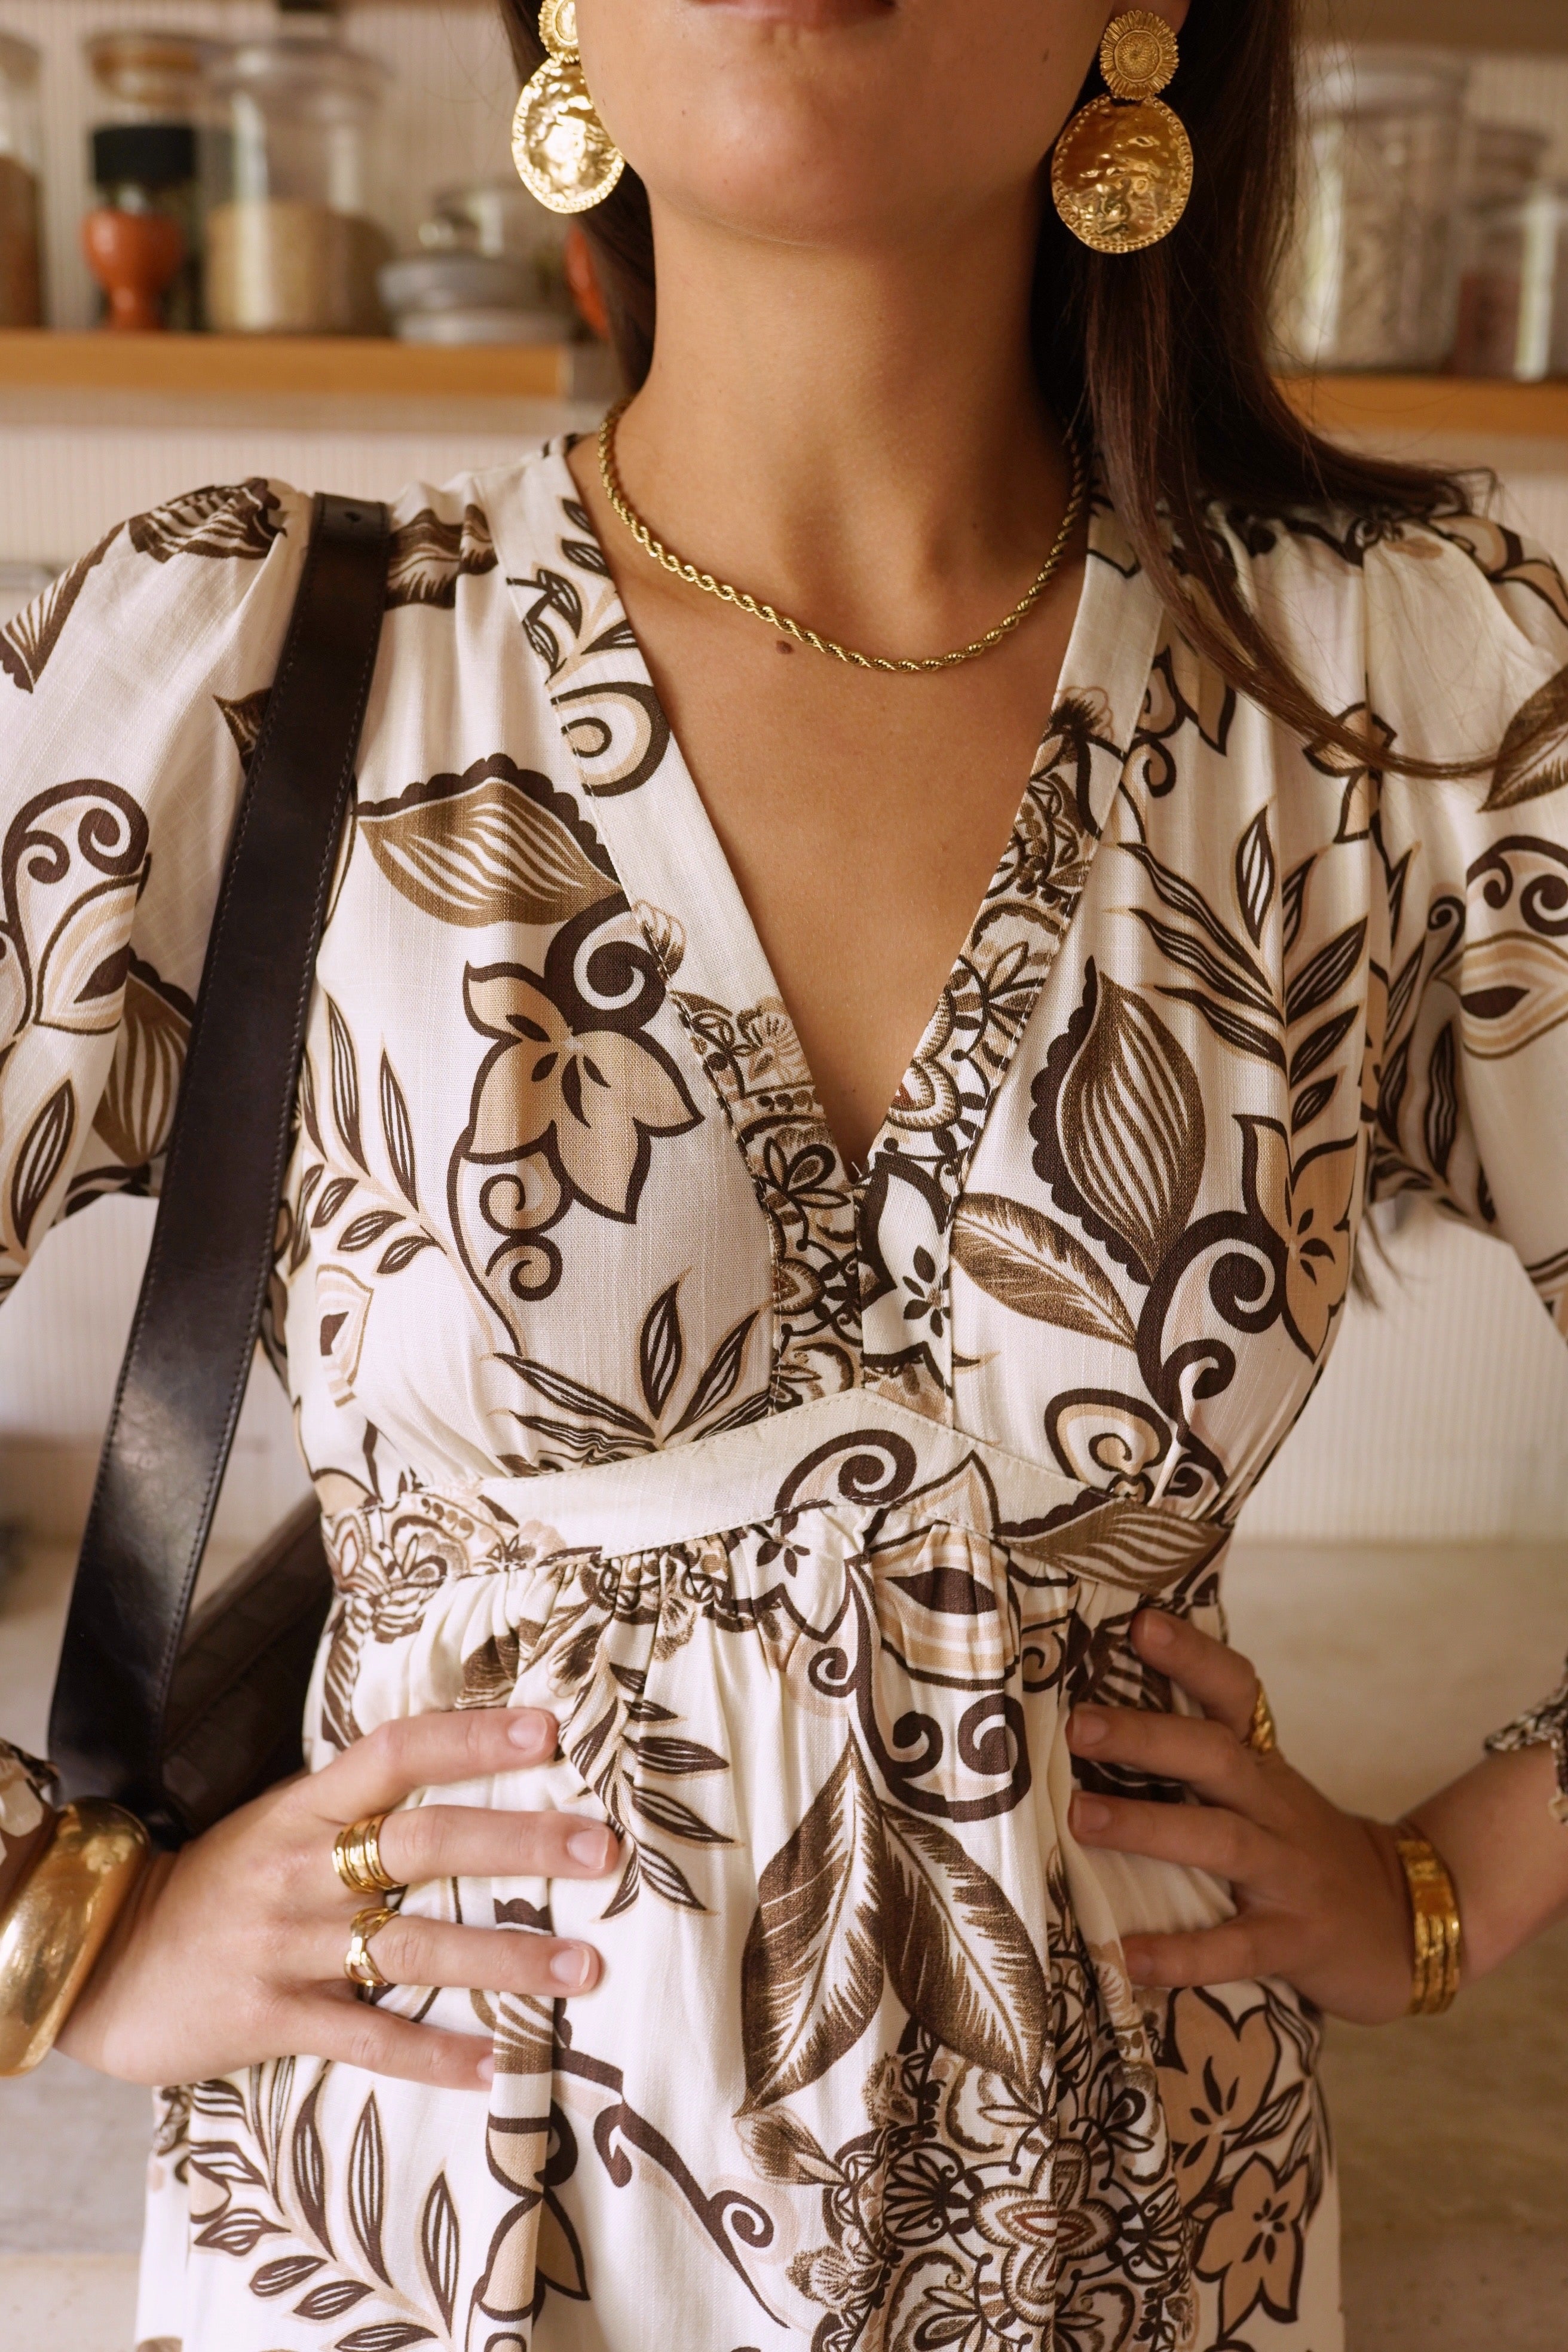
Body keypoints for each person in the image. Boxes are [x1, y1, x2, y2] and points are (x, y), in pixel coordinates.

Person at [0, 1, 1565, 2345]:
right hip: (420, 2236)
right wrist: (61, 1936)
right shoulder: (251, 668)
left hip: (1138, 2243)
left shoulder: (1389, 706)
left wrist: (1456, 1883)